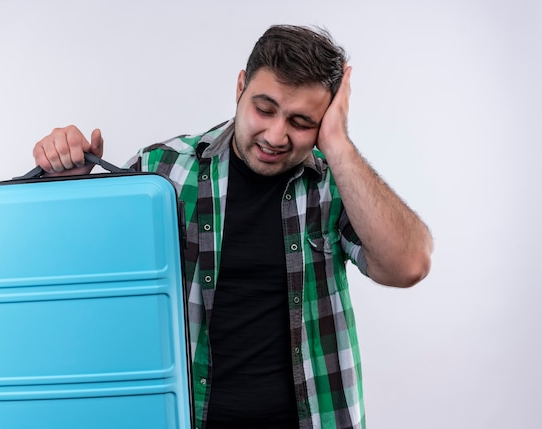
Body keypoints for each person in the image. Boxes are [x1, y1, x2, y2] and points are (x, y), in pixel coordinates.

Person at [33, 24, 433, 429]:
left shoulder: (336, 184)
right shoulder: (163, 172)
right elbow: (82, 274)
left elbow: (409, 264)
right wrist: (70, 185)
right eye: (264, 108)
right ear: (240, 87)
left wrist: (339, 144)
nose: (276, 135)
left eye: (301, 121)